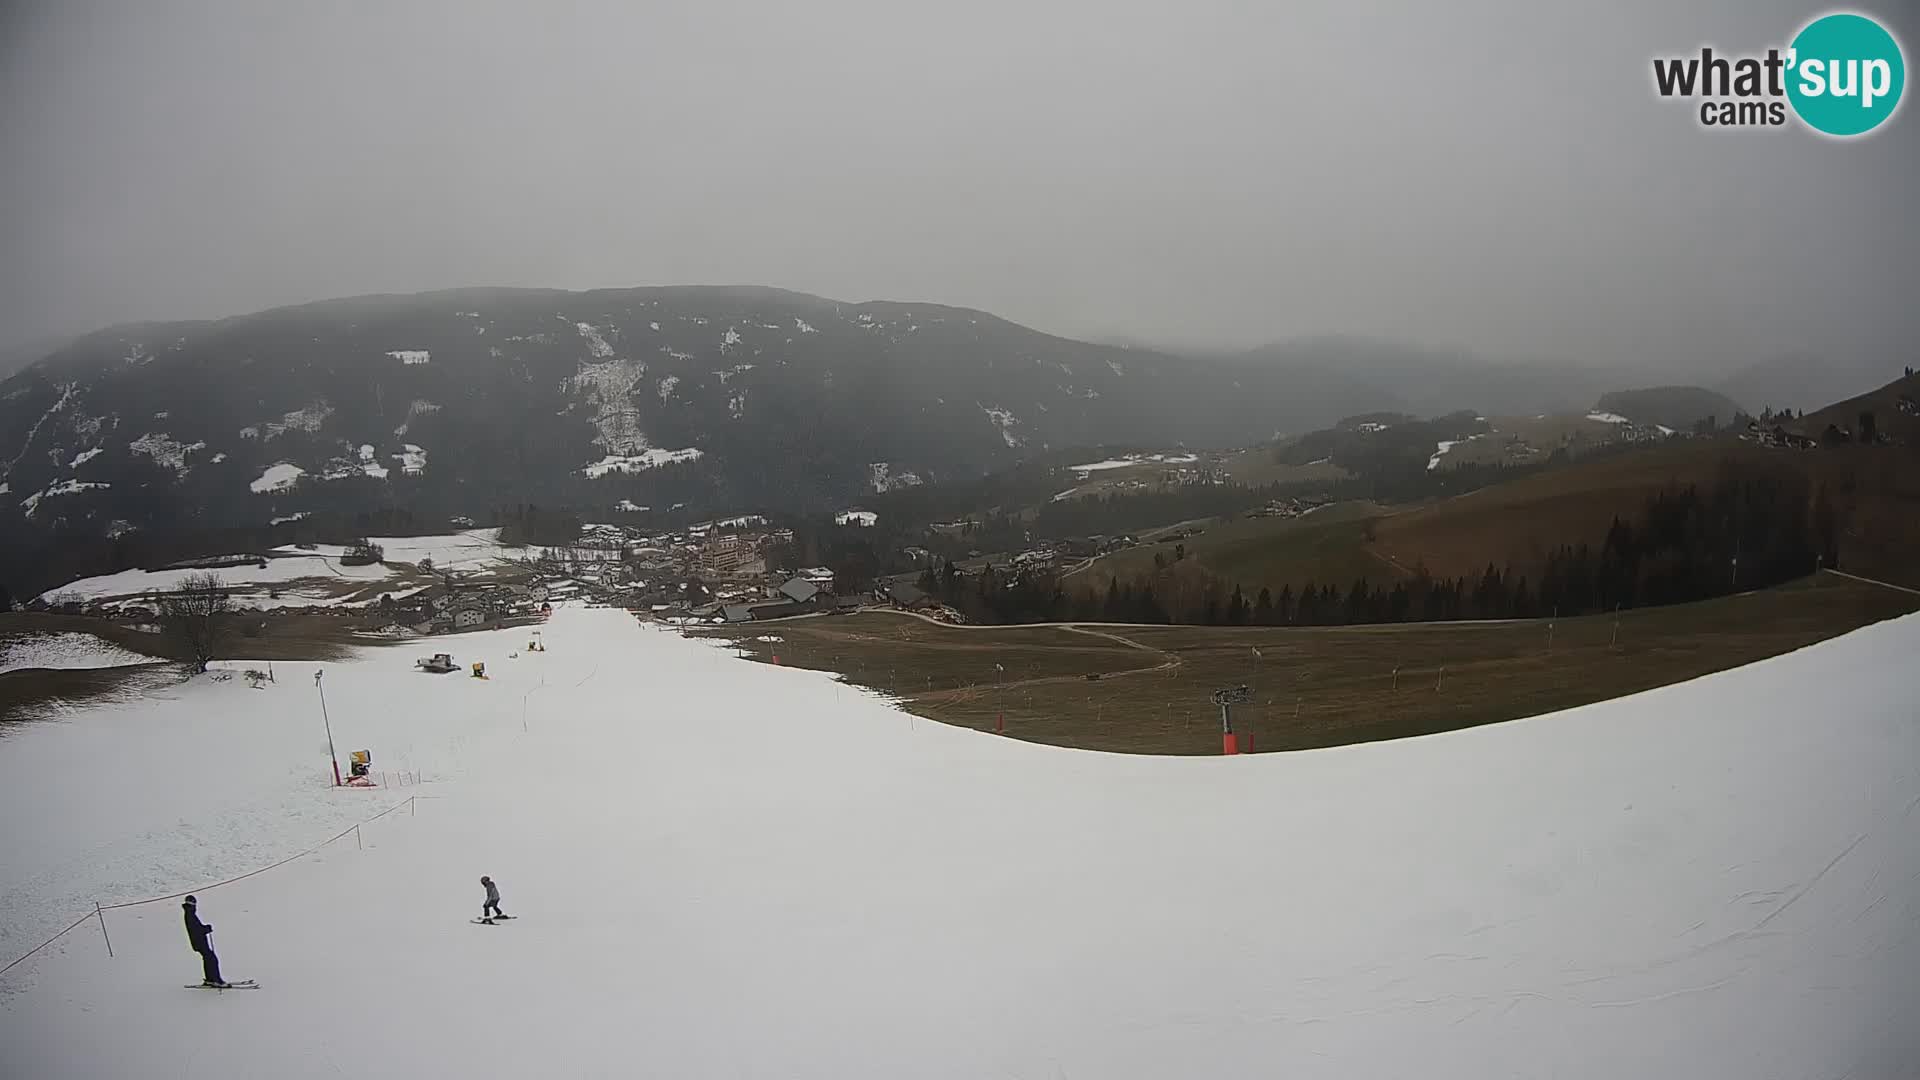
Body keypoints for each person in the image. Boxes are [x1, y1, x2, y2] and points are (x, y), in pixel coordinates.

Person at [182, 895, 227, 987]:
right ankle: (215, 980)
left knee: (208, 958)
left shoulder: (189, 913)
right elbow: (195, 929)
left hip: (198, 941)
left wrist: (205, 928)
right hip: (199, 941)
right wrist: (206, 929)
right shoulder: (190, 914)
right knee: (212, 959)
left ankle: (210, 979)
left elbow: (197, 927)